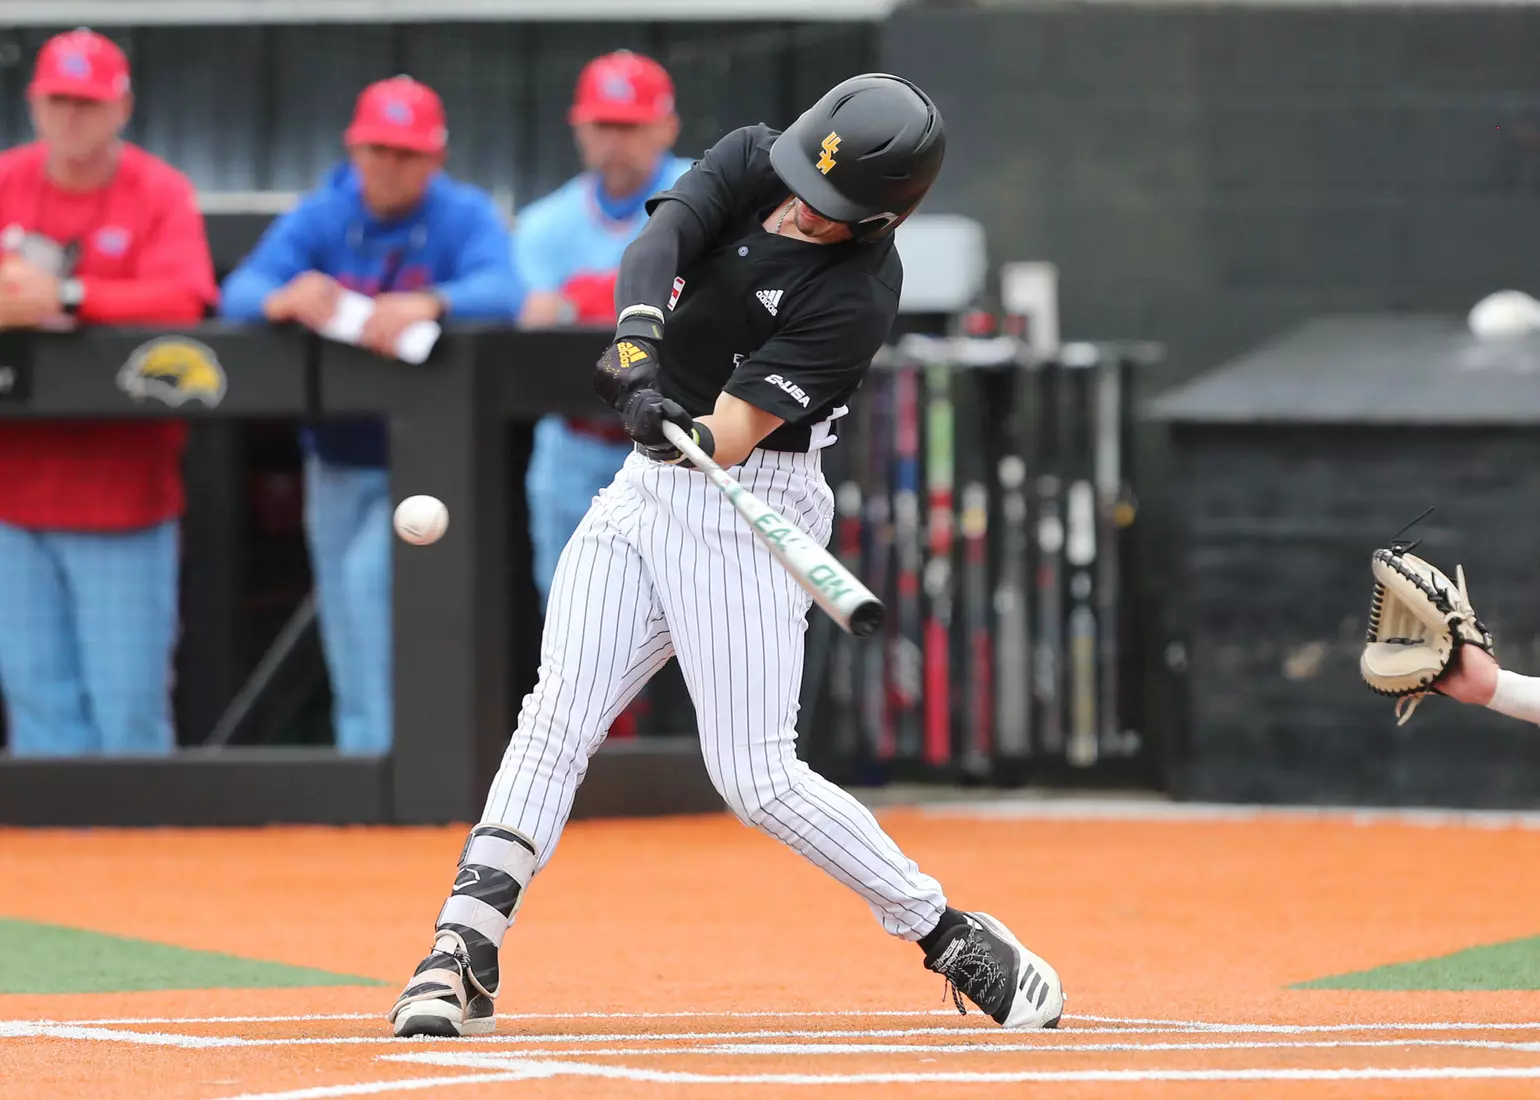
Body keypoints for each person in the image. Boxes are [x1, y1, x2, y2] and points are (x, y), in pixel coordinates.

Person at [387, 73, 1065, 1039]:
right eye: (800, 179)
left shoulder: (858, 297)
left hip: (747, 505)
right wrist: (635, 348)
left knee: (755, 778)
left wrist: (678, 424)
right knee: (558, 714)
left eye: (824, 205)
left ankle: (946, 931)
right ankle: (462, 950)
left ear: (879, 214)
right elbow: (658, 242)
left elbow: (734, 433)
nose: (797, 204)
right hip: (640, 494)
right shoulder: (757, 154)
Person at [220, 76, 522, 755]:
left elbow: (503, 290)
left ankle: (408, 763)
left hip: (431, 461)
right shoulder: (324, 213)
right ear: (354, 149)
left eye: (406, 152)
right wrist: (286, 297)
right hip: (336, 456)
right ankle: (365, 764)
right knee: (344, 614)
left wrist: (434, 301)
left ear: (435, 157)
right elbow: (239, 291)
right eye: (378, 149)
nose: (389, 164)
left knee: (370, 592)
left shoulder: (462, 213)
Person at [0, 29, 218, 757]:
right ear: (35, 103)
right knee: (38, 708)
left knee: (127, 715)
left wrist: (67, 292)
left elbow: (187, 299)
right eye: (58, 100)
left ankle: (143, 870)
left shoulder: (158, 189)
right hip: (13, 491)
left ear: (120, 106)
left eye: (87, 102)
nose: (71, 116)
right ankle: (58, 876)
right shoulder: (7, 179)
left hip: (122, 492)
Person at [518, 50, 694, 609]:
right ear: (580, 129)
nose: (616, 139)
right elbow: (525, 320)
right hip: (575, 442)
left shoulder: (703, 194)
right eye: (603, 125)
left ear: (666, 127)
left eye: (631, 125)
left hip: (683, 441)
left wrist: (579, 300)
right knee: (574, 621)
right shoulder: (545, 223)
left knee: (688, 623)